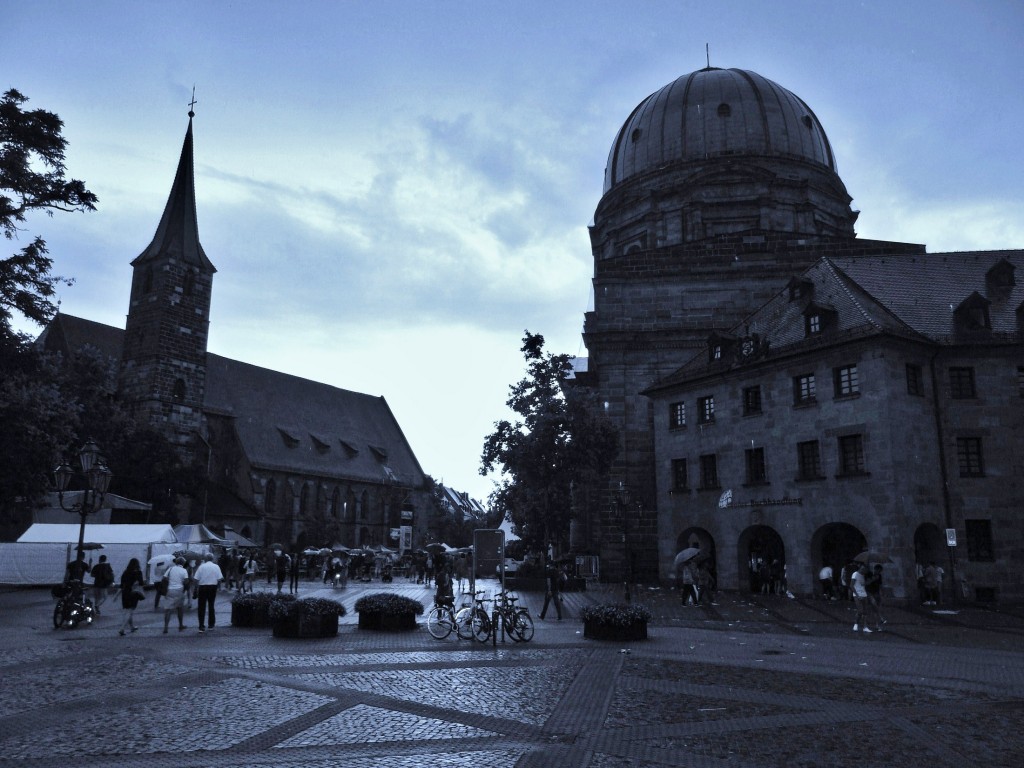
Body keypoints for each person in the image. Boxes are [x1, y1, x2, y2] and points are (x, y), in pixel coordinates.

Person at [192, 552, 223, 633]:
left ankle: (201, 626)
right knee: (211, 605)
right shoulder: (216, 566)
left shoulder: (201, 567)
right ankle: (211, 625)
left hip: (203, 587)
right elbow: (220, 578)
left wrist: (196, 589)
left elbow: (196, 579)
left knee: (201, 607)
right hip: (213, 587)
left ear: (205, 559)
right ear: (212, 559)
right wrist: (219, 587)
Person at [162, 557, 190, 634]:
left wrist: (171, 580)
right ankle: (180, 625)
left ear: (176, 562)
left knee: (168, 610)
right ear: (183, 563)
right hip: (179, 590)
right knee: (180, 609)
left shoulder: (170, 569)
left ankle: (165, 628)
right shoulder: (184, 570)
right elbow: (186, 581)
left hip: (170, 590)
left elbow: (164, 578)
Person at [117, 558, 144, 635]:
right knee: (130, 611)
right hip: (134, 593)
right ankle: (122, 628)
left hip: (125, 592)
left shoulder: (125, 572)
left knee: (127, 611)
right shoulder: (138, 572)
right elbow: (141, 583)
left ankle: (132, 627)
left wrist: (116, 595)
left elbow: (122, 585)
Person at [850, 563, 872, 633]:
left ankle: (865, 626)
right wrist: (857, 594)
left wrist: (871, 580)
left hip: (864, 593)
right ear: (860, 567)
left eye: (865, 569)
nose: (863, 570)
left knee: (865, 611)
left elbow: (863, 584)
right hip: (857, 594)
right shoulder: (855, 574)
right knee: (860, 611)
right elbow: (851, 585)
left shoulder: (863, 575)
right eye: (862, 569)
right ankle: (856, 623)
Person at [866, 563, 886, 631]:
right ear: (875, 569)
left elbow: (880, 585)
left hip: (876, 592)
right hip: (869, 592)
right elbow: (866, 583)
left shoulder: (879, 576)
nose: (879, 572)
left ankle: (877, 625)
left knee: (875, 609)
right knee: (874, 604)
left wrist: (881, 593)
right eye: (878, 571)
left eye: (880, 571)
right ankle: (881, 618)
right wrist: (873, 579)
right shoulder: (869, 574)